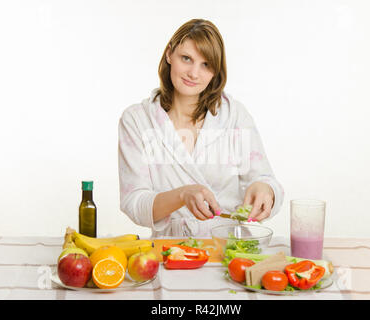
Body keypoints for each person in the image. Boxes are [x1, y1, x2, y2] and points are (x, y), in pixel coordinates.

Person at [118, 19, 284, 237]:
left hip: (231, 249)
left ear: (215, 71)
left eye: (206, 64)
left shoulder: (234, 115)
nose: (194, 73)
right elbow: (134, 203)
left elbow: (267, 181)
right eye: (186, 59)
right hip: (172, 252)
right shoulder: (137, 120)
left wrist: (265, 189)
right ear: (169, 54)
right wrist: (182, 195)